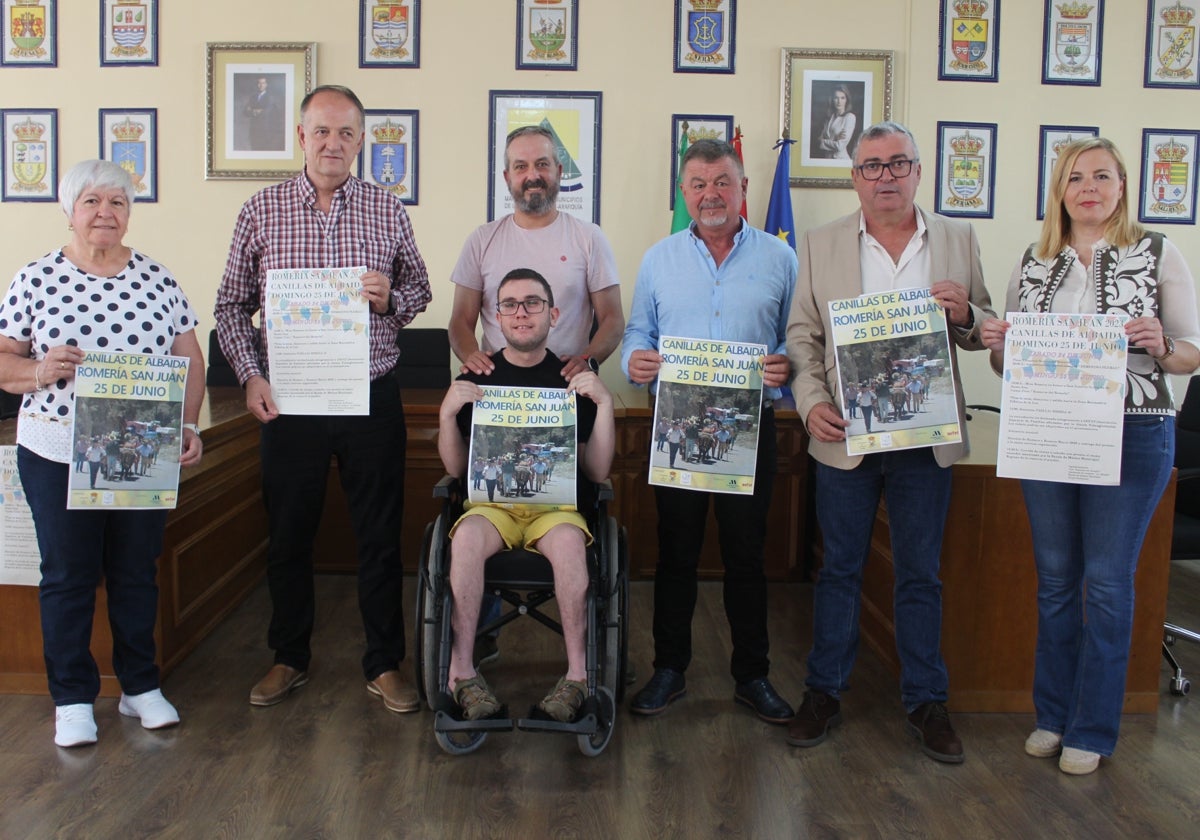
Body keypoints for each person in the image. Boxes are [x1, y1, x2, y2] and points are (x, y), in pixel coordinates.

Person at [979, 137, 1200, 776]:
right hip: (1050, 432)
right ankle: (1052, 715)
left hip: (1133, 434)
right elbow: (1007, 361)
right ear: (1060, 191)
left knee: (1105, 584)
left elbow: (1190, 352)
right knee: (1053, 583)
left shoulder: (1156, 252)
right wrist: (999, 341)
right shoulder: (1036, 258)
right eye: (1076, 178)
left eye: (1102, 176)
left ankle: (1094, 728)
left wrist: (1162, 344)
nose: (1089, 188)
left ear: (1123, 185)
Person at [214, 85, 432, 713]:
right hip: (291, 401)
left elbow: (417, 290)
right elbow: (230, 306)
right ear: (301, 137)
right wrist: (251, 375)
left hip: (369, 396)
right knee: (288, 535)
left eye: (346, 133)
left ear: (360, 141)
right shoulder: (261, 209)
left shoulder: (386, 210)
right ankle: (289, 657)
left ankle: (385, 664)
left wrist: (389, 295)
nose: (333, 144)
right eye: (322, 131)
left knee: (378, 537)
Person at [786, 121, 996, 763]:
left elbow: (985, 326)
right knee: (841, 569)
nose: (885, 176)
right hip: (847, 436)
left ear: (917, 172)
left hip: (926, 438)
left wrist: (967, 315)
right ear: (855, 177)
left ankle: (927, 702)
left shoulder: (957, 238)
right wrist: (812, 401)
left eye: (897, 163)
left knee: (920, 574)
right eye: (872, 165)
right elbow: (803, 337)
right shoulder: (820, 244)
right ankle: (824, 692)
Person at [0, 159, 205, 748]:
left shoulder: (157, 279)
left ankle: (140, 686)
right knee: (67, 576)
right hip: (57, 453)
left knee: (136, 572)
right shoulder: (36, 278)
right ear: (70, 210)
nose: (104, 213)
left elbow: (190, 356)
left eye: (117, 202)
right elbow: (4, 360)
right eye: (91, 201)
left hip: (138, 447)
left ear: (129, 213)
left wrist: (188, 422)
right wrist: (39, 370)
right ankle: (71, 697)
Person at [622, 138, 798, 724]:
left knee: (748, 557)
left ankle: (752, 675)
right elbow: (635, 334)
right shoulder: (659, 258)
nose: (710, 194)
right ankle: (669, 670)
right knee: (676, 553)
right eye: (697, 184)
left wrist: (787, 364)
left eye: (722, 181)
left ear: (744, 188)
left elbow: (799, 339)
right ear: (684, 193)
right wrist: (636, 361)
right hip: (677, 428)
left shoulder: (781, 259)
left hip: (751, 429)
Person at [437, 268, 615, 722]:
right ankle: (461, 672)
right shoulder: (478, 374)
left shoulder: (570, 377)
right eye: (510, 304)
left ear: (552, 314)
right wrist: (446, 415)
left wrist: (605, 404)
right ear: (495, 316)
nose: (521, 313)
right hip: (490, 505)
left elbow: (597, 470)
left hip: (553, 510)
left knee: (573, 547)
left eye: (532, 303)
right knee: (466, 541)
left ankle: (578, 676)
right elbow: (455, 470)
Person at [448, 124, 623, 381]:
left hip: (567, 384)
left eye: (542, 164)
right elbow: (460, 320)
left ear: (559, 172)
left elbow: (613, 318)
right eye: (521, 166)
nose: (533, 175)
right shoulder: (481, 240)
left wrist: (588, 360)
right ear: (507, 178)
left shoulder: (589, 238)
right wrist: (472, 356)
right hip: (497, 384)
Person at [241, 76, 284, 152]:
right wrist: (255, 111)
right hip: (254, 130)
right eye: (259, 83)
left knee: (264, 150)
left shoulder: (270, 98)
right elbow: (245, 112)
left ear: (266, 85)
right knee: (254, 150)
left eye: (263, 83)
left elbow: (266, 112)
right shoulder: (253, 97)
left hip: (265, 130)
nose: (261, 85)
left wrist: (253, 110)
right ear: (257, 85)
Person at [817, 84, 857, 160]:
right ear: (832, 99)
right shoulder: (829, 117)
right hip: (826, 160)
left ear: (847, 100)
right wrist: (834, 139)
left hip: (840, 159)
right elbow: (818, 141)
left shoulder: (850, 117)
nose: (839, 101)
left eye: (842, 98)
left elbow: (839, 146)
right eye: (836, 98)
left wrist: (823, 142)